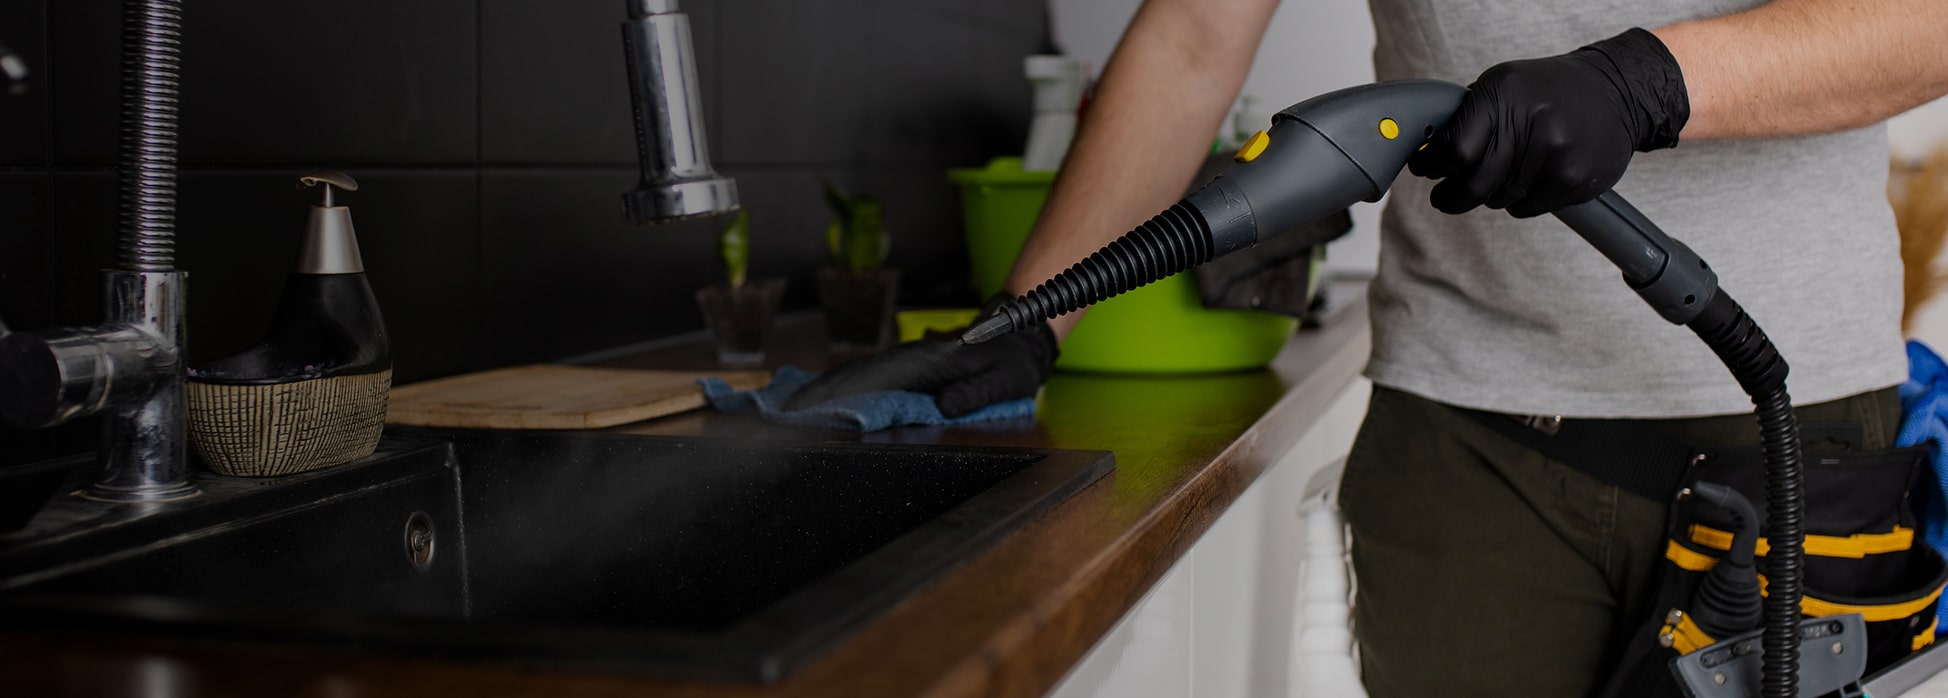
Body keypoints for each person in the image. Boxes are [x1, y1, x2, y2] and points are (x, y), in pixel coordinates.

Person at [791, 0, 1948, 694]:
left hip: (1790, 441)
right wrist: (1031, 320)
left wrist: (1639, 82)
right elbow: (1195, 34)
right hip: (1467, 446)